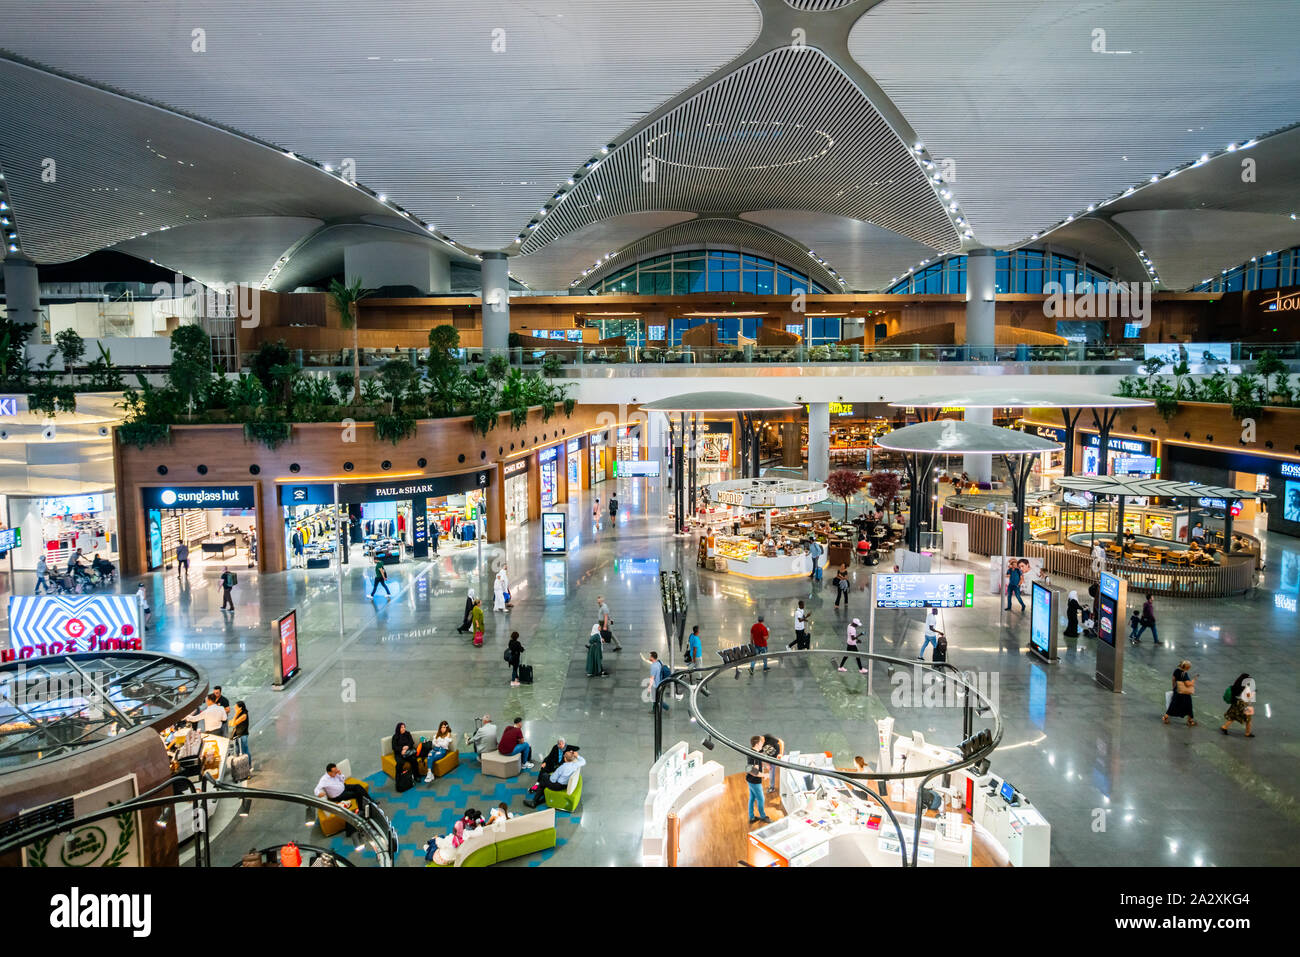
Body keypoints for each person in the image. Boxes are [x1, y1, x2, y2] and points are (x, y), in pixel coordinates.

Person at [1163, 660, 1197, 727]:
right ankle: (1190, 721)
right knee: (1189, 706)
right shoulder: (1184, 674)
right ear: (1187, 668)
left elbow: (1173, 679)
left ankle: (1165, 717)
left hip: (1177, 690)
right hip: (1184, 693)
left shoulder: (1176, 671)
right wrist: (1194, 680)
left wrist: (1174, 688)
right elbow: (1187, 684)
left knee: (1173, 704)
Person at [746, 738, 770, 825]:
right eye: (761, 743)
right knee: (761, 799)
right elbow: (754, 772)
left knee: (752, 798)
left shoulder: (751, 752)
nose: (762, 745)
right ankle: (763, 817)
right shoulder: (755, 755)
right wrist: (765, 775)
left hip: (750, 780)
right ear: (756, 744)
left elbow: (755, 768)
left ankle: (751, 817)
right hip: (755, 782)